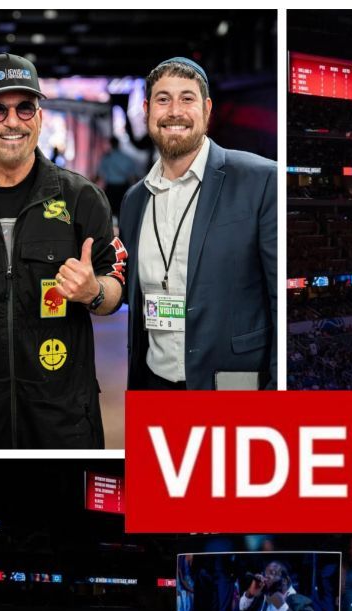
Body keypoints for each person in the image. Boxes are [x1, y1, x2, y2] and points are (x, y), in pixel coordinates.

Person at [0, 53, 127, 448]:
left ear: (40, 118)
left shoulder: (83, 198)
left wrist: (93, 292)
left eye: (24, 108)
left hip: (65, 412)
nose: (12, 121)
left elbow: (114, 289)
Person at [119, 57, 276, 390]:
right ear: (147, 110)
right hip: (153, 384)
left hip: (232, 387)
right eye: (163, 100)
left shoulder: (260, 180)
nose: (175, 111)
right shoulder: (135, 201)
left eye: (187, 99)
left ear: (206, 109)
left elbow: (281, 301)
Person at [95, 136, 136, 214]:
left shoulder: (106, 158)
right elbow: (133, 176)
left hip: (111, 188)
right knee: (122, 210)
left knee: (110, 210)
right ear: (118, 144)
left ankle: (111, 225)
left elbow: (100, 174)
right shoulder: (126, 158)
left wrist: (92, 183)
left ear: (110, 144)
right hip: (123, 188)